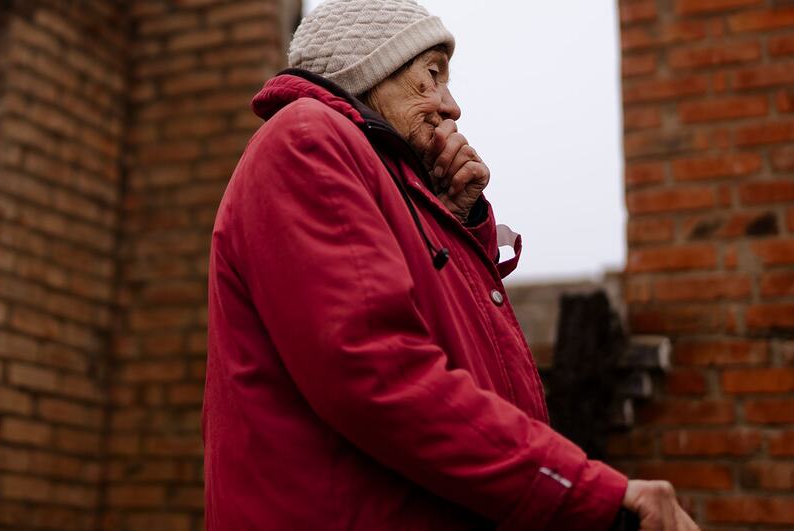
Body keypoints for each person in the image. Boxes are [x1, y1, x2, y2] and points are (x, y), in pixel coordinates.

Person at [203, 0, 699, 529]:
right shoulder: (307, 138)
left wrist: (456, 220)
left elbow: (451, 349)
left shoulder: (383, 177)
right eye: (432, 76)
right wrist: (586, 493)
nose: (452, 106)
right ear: (368, 69)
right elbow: (380, 373)